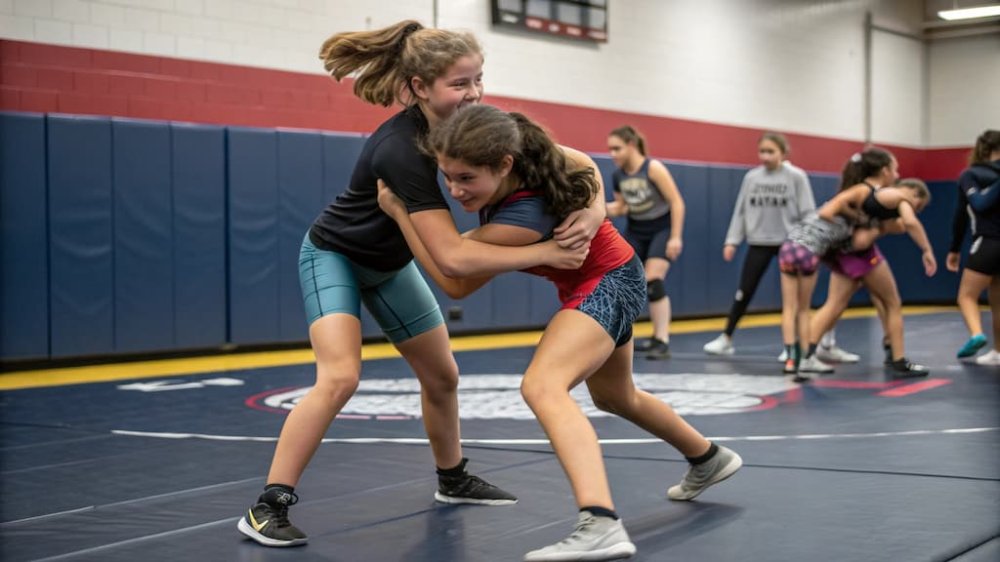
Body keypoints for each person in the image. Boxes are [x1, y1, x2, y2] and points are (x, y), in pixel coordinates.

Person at [237, 20, 605, 548]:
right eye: (460, 84)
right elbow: (453, 257)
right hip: (336, 255)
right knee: (339, 377)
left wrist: (594, 214)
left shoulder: (481, 125)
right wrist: (547, 251)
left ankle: (452, 478)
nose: (474, 93)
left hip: (391, 264)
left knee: (443, 377)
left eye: (479, 79)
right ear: (418, 87)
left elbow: (581, 164)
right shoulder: (401, 151)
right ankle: (267, 505)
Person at [378, 105, 742, 562]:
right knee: (616, 397)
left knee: (543, 385)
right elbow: (585, 162)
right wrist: (595, 211)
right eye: (447, 177)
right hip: (603, 276)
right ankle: (708, 457)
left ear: (503, 165)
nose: (454, 190)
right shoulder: (529, 154)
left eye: (466, 179)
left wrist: (400, 215)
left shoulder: (525, 215)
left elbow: (455, 276)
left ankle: (600, 521)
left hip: (609, 280)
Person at [703, 133, 859, 363]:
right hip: (759, 241)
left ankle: (792, 346)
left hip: (790, 242)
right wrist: (732, 240)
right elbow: (741, 210)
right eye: (762, 151)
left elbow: (808, 211)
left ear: (783, 153)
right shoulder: (752, 177)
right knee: (744, 291)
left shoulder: (796, 176)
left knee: (794, 300)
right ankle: (726, 338)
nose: (765, 156)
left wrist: (808, 240)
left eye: (770, 152)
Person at [805, 149, 936, 377]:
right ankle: (898, 360)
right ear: (885, 171)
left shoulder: (857, 189)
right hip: (863, 255)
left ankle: (804, 354)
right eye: (895, 170)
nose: (897, 174)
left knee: (835, 303)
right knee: (893, 303)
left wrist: (872, 225)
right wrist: (927, 250)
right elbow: (910, 223)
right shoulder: (891, 195)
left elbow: (839, 215)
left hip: (843, 252)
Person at [605, 126, 686, 359]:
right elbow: (621, 207)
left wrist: (675, 237)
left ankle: (661, 339)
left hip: (661, 228)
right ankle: (617, 336)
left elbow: (677, 202)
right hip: (636, 228)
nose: (613, 154)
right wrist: (598, 208)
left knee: (653, 280)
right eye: (610, 149)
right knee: (620, 278)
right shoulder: (618, 175)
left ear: (631, 145)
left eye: (617, 148)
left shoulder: (653, 168)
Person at [947, 130, 1000, 365]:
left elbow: (971, 208)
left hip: (988, 242)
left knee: (967, 296)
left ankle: (977, 334)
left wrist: (954, 249)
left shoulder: (971, 174)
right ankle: (998, 352)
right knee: (997, 302)